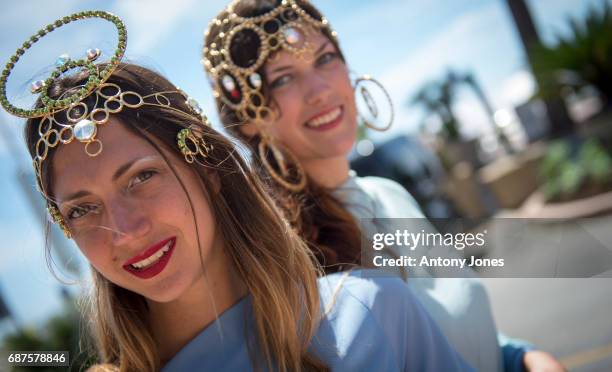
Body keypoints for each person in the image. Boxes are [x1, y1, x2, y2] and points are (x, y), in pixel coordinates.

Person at [1, 11, 474, 371]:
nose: (123, 230)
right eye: (83, 209)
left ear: (206, 166)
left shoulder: (374, 311)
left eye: (141, 178)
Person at [202, 1, 566, 371]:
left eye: (325, 58)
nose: (319, 89)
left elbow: (468, 330)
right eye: (282, 78)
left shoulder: (388, 194)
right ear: (249, 119)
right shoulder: (282, 264)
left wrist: (524, 356)